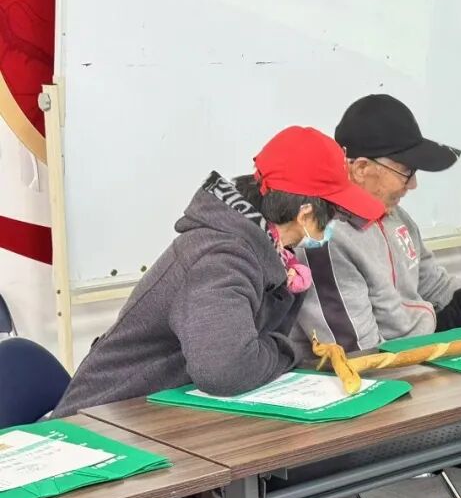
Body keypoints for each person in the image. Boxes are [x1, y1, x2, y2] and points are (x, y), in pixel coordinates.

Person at [293, 93, 461, 484]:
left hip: (422, 342)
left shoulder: (394, 216)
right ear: (361, 168)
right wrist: (459, 372)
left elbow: (436, 285)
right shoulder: (323, 239)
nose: (413, 184)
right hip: (381, 378)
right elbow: (360, 357)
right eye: (406, 171)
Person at [52, 126, 384, 418]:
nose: (331, 228)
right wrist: (288, 350)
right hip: (102, 422)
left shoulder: (263, 248)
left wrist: (266, 347)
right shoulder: (221, 257)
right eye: (332, 216)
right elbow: (226, 370)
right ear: (305, 214)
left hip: (161, 414)